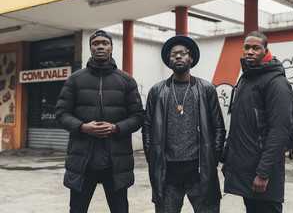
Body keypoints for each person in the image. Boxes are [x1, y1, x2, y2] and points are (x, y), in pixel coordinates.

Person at [55, 30, 144, 213]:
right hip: (83, 162)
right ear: (90, 48)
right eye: (96, 43)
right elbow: (61, 113)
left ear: (111, 47)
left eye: (105, 42)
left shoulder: (126, 81)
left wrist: (116, 128)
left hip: (115, 163)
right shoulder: (75, 79)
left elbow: (138, 116)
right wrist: (82, 127)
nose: (100, 46)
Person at [142, 35, 226, 213]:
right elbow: (147, 128)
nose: (178, 56)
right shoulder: (157, 91)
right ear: (168, 60)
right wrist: (153, 158)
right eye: (173, 54)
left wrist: (212, 158)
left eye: (182, 53)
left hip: (200, 171)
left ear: (191, 58)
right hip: (167, 174)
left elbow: (218, 128)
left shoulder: (206, 89)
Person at [221, 31, 293, 213]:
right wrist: (227, 159)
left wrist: (263, 173)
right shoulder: (246, 78)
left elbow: (280, 131)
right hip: (247, 169)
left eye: (255, 48)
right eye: (246, 47)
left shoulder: (276, 82)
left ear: (265, 50)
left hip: (262, 173)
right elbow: (239, 125)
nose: (250, 52)